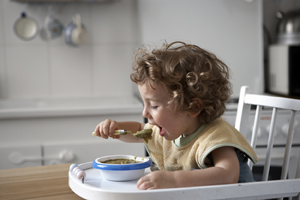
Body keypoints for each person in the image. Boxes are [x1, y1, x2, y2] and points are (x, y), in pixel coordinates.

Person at [93, 41, 257, 190]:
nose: (145, 113)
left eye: (154, 105)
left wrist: (174, 180)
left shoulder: (216, 135)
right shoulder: (174, 129)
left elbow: (228, 175)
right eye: (145, 104)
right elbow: (139, 130)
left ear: (193, 107)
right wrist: (116, 127)